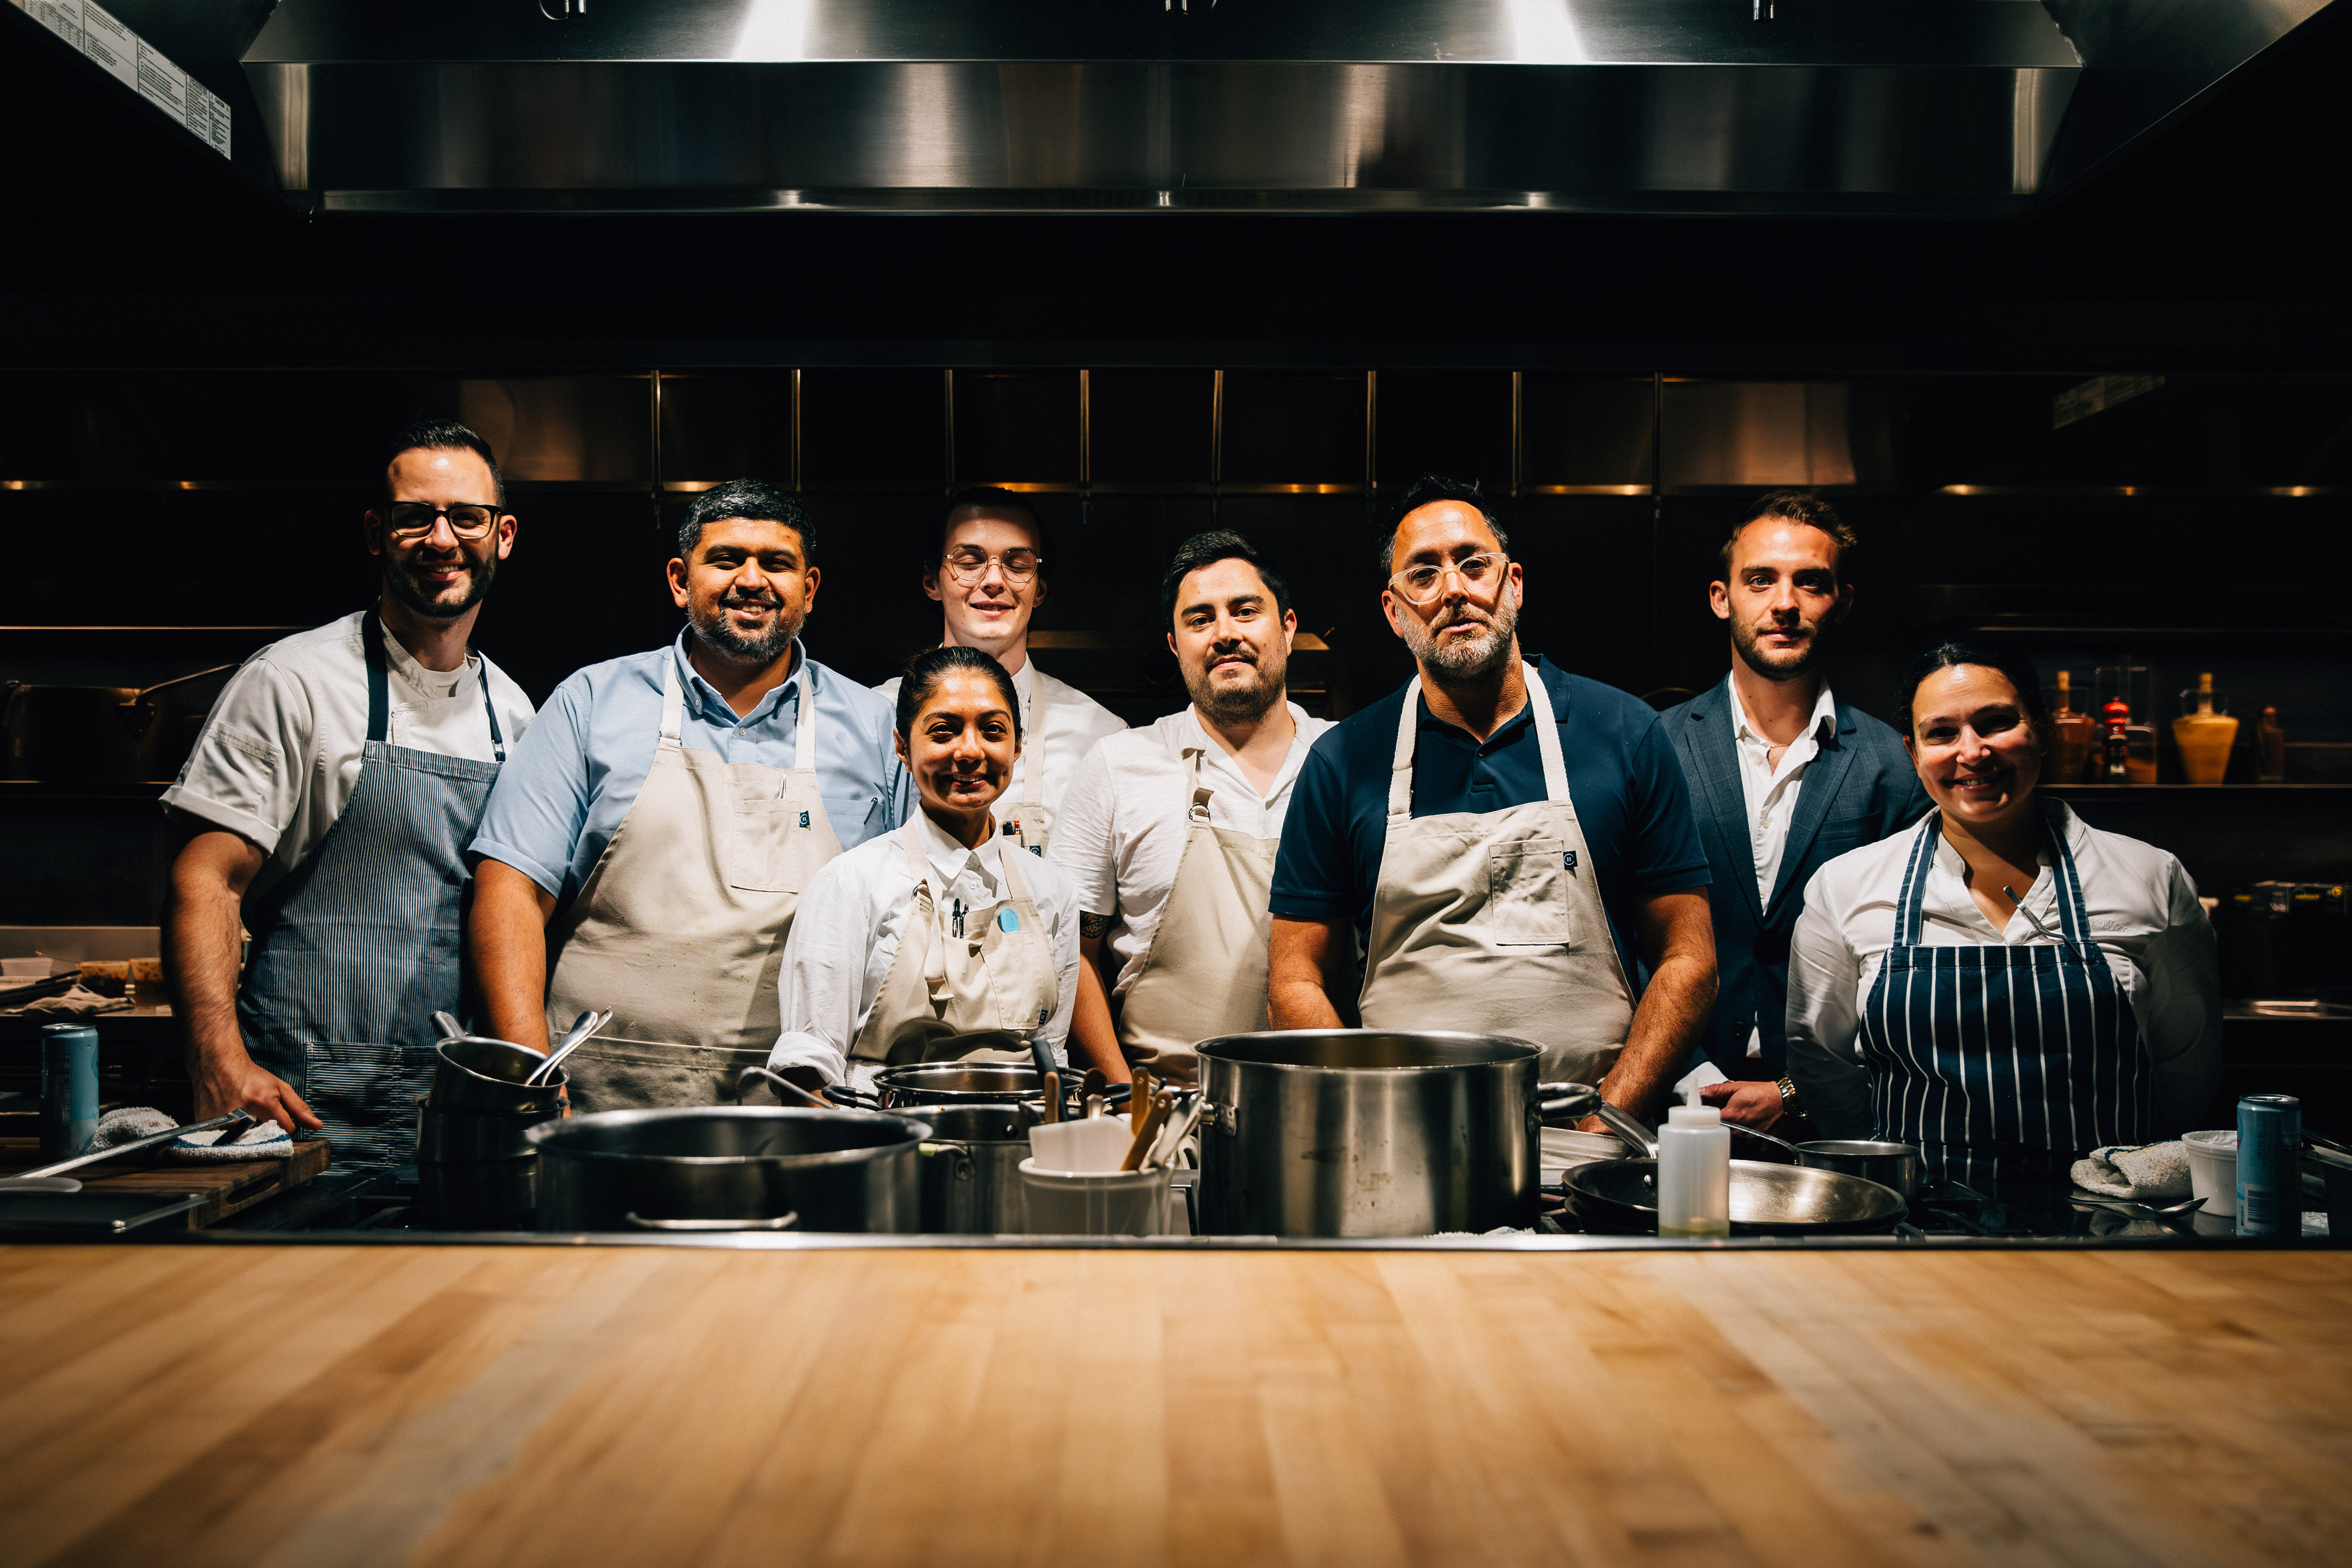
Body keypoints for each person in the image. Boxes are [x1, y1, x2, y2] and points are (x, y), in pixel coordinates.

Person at [1268, 474, 1718, 1154]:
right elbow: (1294, 978)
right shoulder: (1342, 762)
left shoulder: (1623, 732)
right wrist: (1370, 1107)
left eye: (1473, 564)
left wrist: (1608, 1120)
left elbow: (1688, 957)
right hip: (1400, 1139)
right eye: (1424, 574)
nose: (1453, 589)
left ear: (1512, 584)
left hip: (1593, 1139)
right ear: (1394, 612)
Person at [161, 419, 535, 1169]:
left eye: (465, 517)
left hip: (453, 1115)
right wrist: (216, 1063)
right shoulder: (293, 680)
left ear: (503, 536)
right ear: (375, 532)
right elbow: (205, 879)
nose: (440, 539)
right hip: (303, 1108)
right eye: (413, 517)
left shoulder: (516, 715)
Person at [466, 479, 909, 1111]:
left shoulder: (874, 728)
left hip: (806, 1108)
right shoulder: (592, 702)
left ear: (808, 590)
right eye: (726, 559)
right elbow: (511, 889)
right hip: (601, 1102)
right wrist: (529, 1074)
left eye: (777, 563)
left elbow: (913, 922)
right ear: (680, 580)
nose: (751, 580)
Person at [1784, 642, 2222, 1191]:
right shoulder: (1847, 887)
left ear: (2041, 730)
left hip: (2107, 1227)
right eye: (1941, 733)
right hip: (1919, 1226)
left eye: (1995, 724)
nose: (1972, 752)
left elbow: (2187, 1065)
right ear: (1913, 752)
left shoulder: (2150, 878)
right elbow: (1821, 1065)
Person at [1659, 491, 1929, 1130]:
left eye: (1810, 582)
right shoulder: (1657, 747)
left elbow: (1902, 960)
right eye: (1761, 580)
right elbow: (1622, 931)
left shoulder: (1895, 766)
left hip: (1837, 1116)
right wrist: (1692, 1073)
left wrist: (1794, 1089)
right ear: (1722, 598)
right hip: (1676, 1101)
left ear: (1842, 601)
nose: (1784, 602)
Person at [1048, 531, 1336, 1084]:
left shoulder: (1343, 761)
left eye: (1245, 611)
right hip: (1164, 1112)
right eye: (1200, 619)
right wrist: (1119, 1093)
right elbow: (1072, 953)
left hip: (1325, 1100)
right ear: (1176, 644)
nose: (1225, 633)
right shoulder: (1117, 765)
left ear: (1289, 627)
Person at [767, 646, 1099, 1089]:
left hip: (1017, 1145)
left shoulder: (1052, 889)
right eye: (943, 732)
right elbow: (809, 1066)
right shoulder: (850, 883)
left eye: (992, 731)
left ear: (1018, 746)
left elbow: (1050, 1055)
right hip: (886, 1140)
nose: (969, 751)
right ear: (902, 747)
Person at [873, 488, 1125, 855]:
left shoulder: (1100, 738)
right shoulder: (874, 717)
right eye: (969, 560)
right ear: (932, 582)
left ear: (1039, 589)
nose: (994, 580)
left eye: (1018, 563)